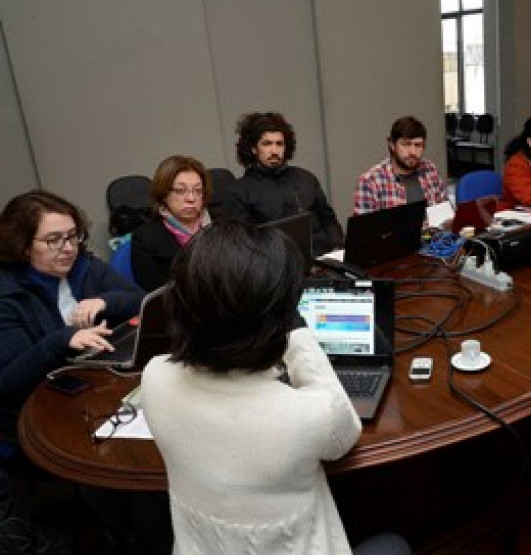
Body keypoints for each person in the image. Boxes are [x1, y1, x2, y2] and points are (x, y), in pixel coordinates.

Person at [141, 220, 411, 555]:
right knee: (394, 544)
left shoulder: (154, 378)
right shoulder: (306, 415)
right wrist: (298, 336)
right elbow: (345, 431)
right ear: (279, 320)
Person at [0, 190, 145, 553]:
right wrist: (63, 339)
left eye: (72, 236)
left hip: (90, 387)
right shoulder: (7, 294)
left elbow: (145, 299)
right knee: (107, 459)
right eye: (53, 240)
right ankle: (122, 535)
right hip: (36, 410)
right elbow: (10, 380)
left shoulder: (85, 266)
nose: (68, 248)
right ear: (22, 246)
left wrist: (106, 300)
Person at [224, 111, 345, 256]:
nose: (274, 151)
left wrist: (339, 251)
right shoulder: (239, 191)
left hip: (325, 262)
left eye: (279, 144)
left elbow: (329, 220)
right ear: (253, 148)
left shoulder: (306, 178)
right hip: (275, 268)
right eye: (267, 144)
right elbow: (243, 245)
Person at [131, 154, 217, 292]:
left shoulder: (222, 224)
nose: (191, 198)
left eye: (198, 190)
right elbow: (157, 293)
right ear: (164, 194)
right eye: (180, 190)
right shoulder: (145, 239)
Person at [354, 116, 448, 215]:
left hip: (432, 230)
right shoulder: (370, 181)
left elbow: (444, 215)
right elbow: (365, 229)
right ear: (392, 145)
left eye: (418, 145)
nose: (413, 152)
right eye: (406, 144)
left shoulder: (431, 170)